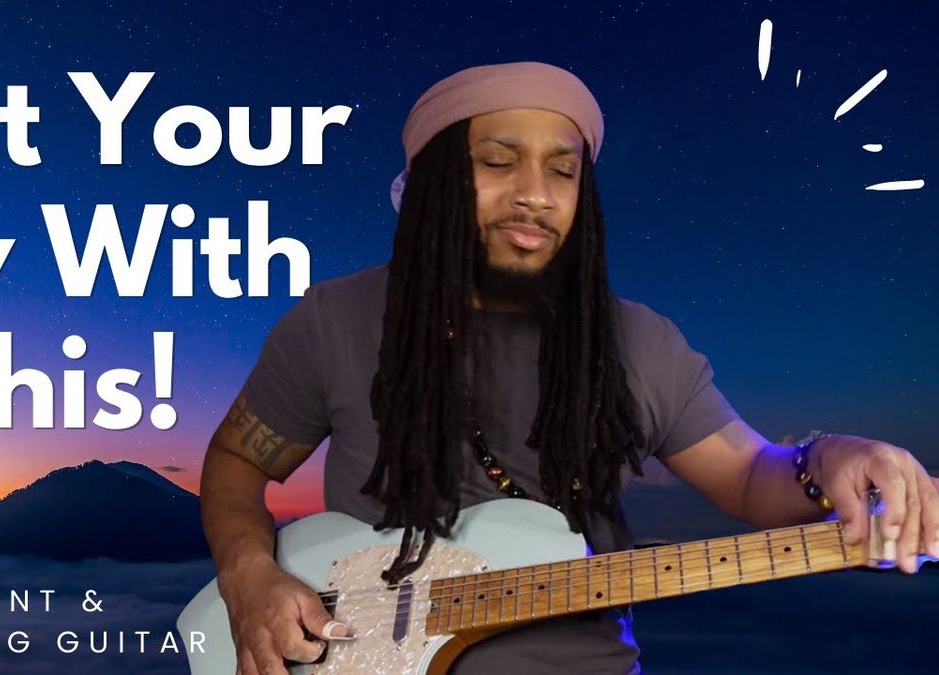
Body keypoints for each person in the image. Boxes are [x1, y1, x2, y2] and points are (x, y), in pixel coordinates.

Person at [199, 62, 939, 674]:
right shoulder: (334, 320)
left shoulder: (638, 343)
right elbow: (236, 458)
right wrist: (247, 574)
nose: (535, 194)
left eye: (563, 172)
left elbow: (750, 475)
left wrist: (829, 456)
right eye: (496, 162)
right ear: (429, 186)